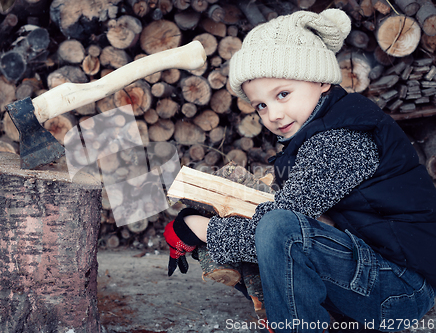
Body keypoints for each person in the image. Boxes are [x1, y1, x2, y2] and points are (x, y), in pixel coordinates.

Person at [163, 8, 436, 333]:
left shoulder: (341, 141)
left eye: (283, 94)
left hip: (400, 290)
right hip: (375, 271)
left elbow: (278, 236)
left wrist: (197, 227)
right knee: (261, 221)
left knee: (276, 227)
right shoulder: (321, 127)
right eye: (261, 105)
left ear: (321, 80)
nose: (273, 114)